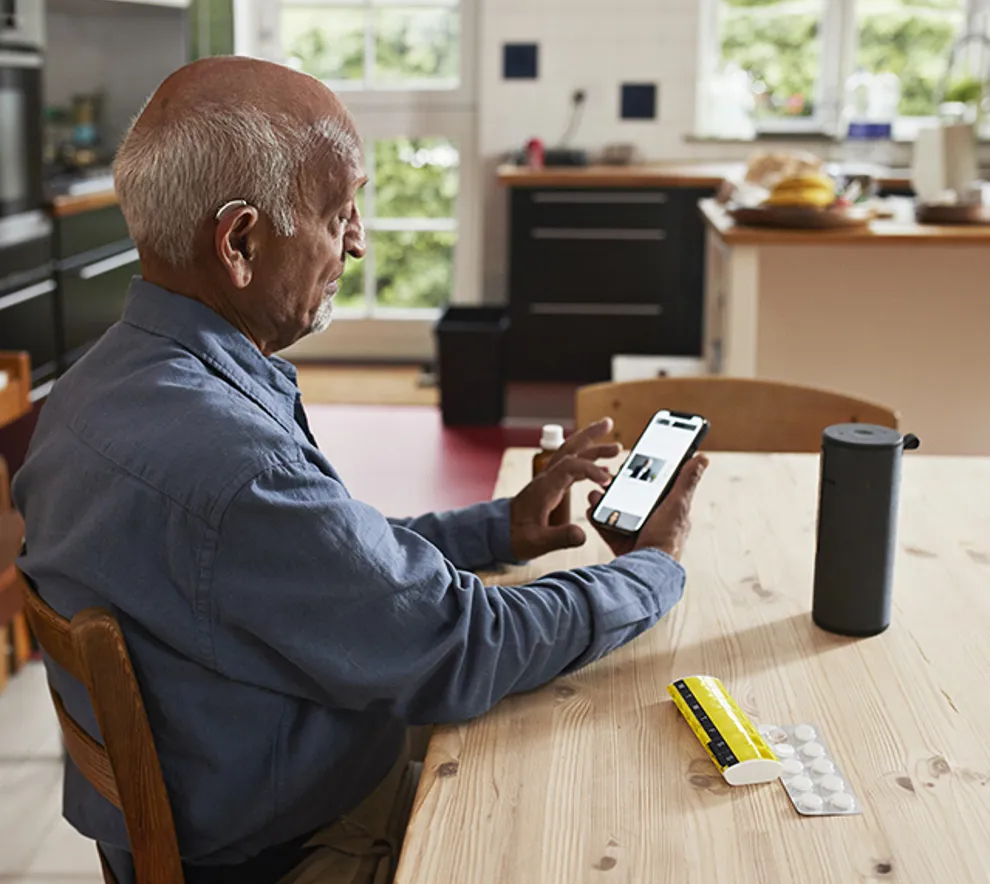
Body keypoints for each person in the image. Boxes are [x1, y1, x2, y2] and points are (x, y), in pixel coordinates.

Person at [13, 57, 707, 884]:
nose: (359, 240)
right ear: (239, 242)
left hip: (218, 805)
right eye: (339, 212)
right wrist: (652, 570)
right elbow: (468, 645)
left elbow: (314, 562)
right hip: (298, 850)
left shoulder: (93, 388)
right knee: (602, 794)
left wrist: (501, 527)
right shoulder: (237, 467)